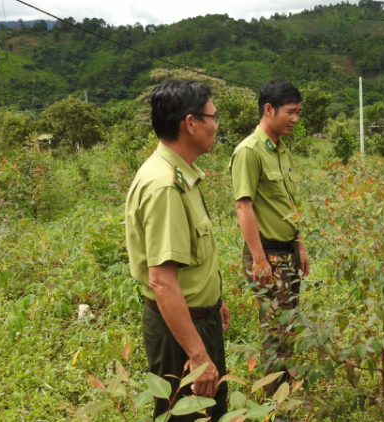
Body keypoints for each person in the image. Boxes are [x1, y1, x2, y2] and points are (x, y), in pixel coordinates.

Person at [125, 80, 230, 421]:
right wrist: (198, 356)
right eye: (213, 116)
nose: (216, 124)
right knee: (188, 415)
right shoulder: (166, 186)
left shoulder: (182, 177)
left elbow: (190, 262)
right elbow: (162, 281)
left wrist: (215, 303)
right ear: (190, 123)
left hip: (198, 320)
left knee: (211, 411)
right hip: (181, 333)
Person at [228, 78, 310, 394]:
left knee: (288, 326)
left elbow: (290, 205)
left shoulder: (281, 151)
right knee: (276, 331)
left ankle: (285, 393)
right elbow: (243, 206)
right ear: (268, 109)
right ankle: (277, 404)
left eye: (298, 112)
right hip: (268, 255)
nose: (295, 119)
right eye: (290, 112)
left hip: (287, 252)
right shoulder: (249, 152)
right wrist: (260, 260)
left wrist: (299, 246)